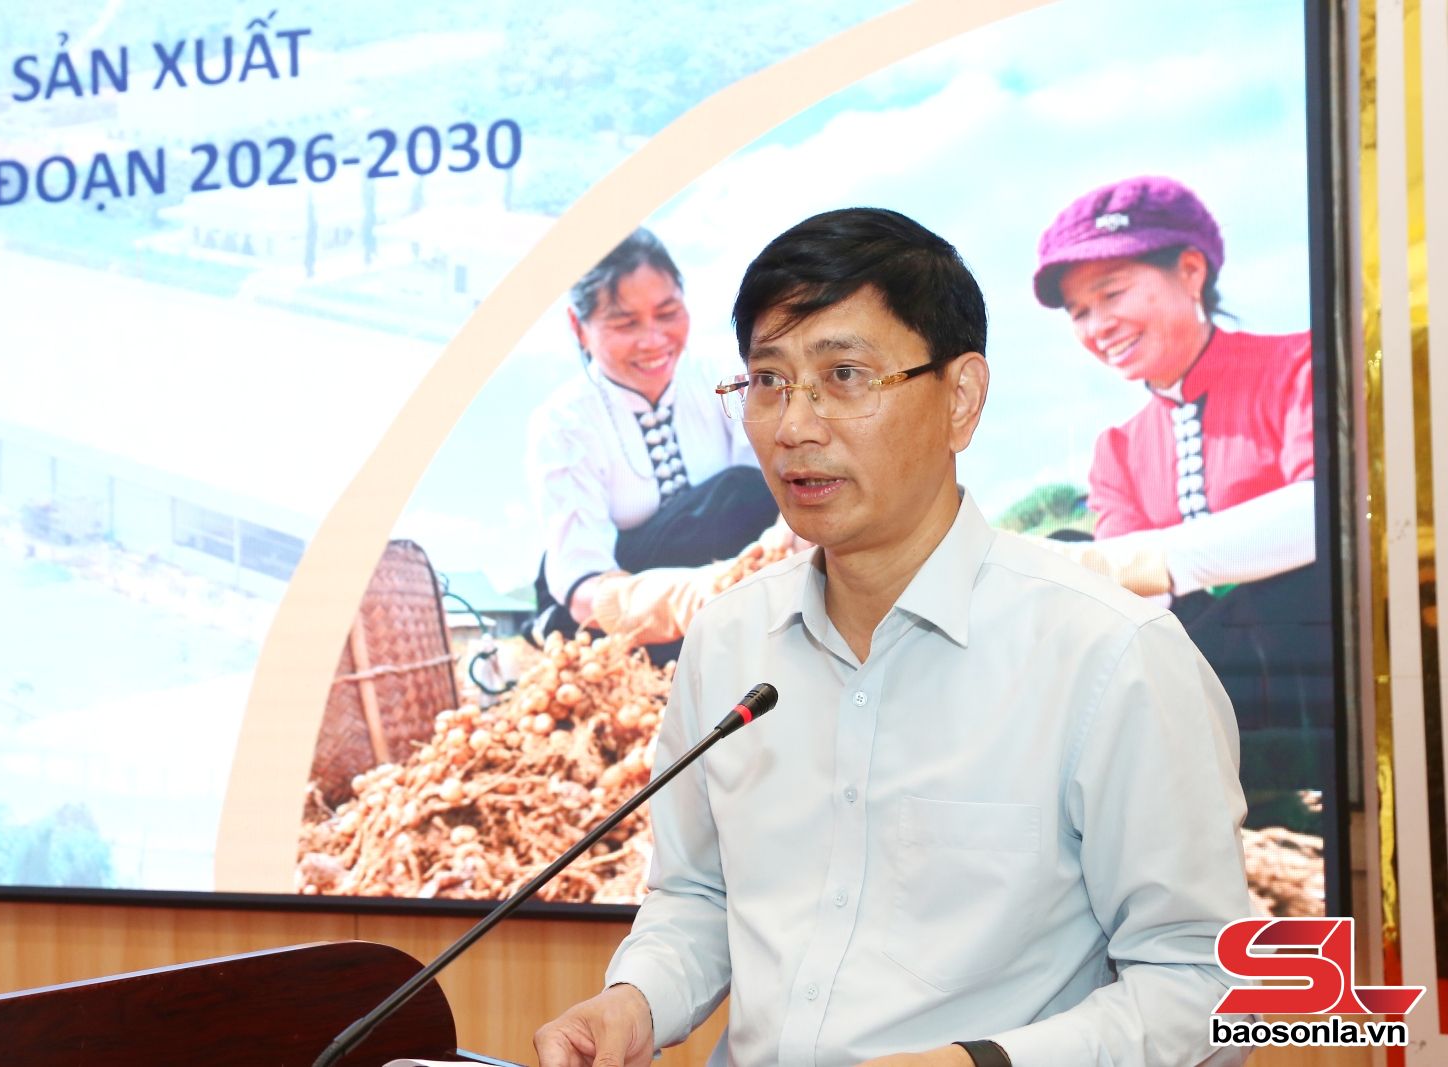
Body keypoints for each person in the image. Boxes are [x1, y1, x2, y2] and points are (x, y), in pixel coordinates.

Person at [534, 208, 1252, 1066]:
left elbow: (1208, 985)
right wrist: (636, 1001)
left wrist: (982, 1063)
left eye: (844, 375)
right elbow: (699, 897)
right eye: (768, 380)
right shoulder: (728, 640)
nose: (794, 425)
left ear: (962, 398)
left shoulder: (1111, 654)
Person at [1033, 176, 1329, 816]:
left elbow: (1328, 514)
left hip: (1320, 694)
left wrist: (1137, 560)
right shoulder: (1117, 449)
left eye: (1111, 293)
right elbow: (1139, 609)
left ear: (1191, 271)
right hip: (1210, 706)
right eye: (1079, 312)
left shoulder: (1303, 365)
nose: (1098, 326)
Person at [525, 227, 782, 659]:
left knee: (745, 491)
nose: (654, 340)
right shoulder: (565, 422)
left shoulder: (725, 377)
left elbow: (776, 493)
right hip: (627, 607)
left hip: (739, 580)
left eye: (667, 313)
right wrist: (685, 598)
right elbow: (581, 582)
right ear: (578, 327)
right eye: (625, 323)